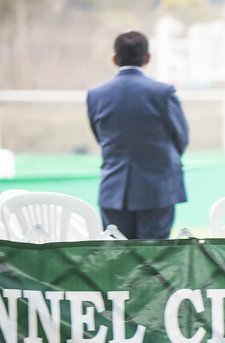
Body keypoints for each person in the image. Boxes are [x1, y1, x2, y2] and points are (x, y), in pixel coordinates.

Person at [87, 30, 190, 239]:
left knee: (118, 262)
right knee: (153, 262)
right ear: (148, 58)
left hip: (113, 192)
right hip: (158, 191)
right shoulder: (163, 92)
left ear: (114, 59)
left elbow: (100, 137)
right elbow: (181, 137)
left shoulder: (96, 95)